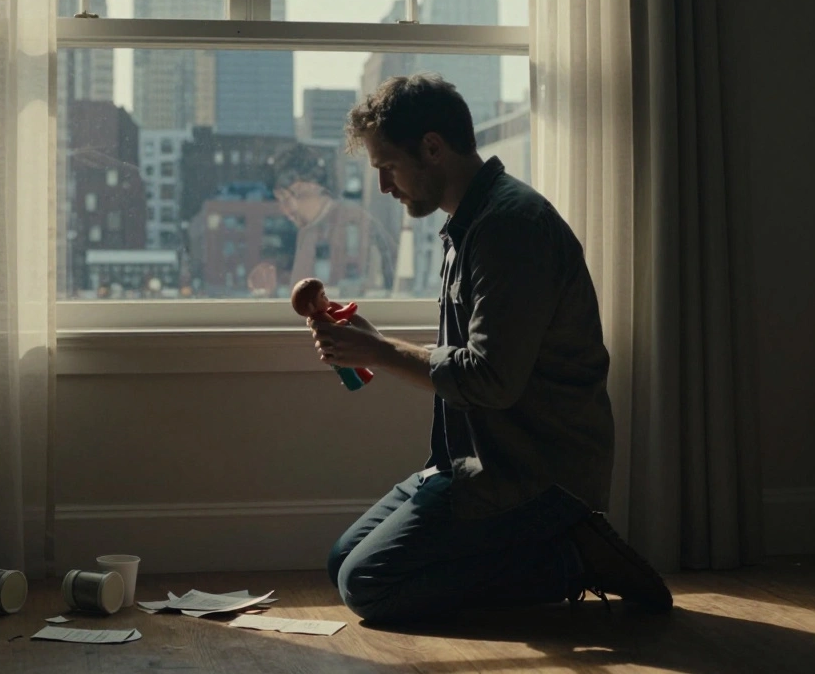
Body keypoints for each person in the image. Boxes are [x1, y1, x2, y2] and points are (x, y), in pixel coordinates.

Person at [310, 73, 672, 624]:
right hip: (476, 460)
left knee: (369, 585)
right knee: (343, 562)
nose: (383, 186)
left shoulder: (510, 228)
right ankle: (541, 552)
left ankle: (571, 559)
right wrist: (374, 344)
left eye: (387, 167)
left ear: (432, 147)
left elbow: (489, 379)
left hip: (533, 474)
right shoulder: (471, 223)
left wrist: (379, 352)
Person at [267, 144, 397, 296]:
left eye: (286, 197)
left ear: (310, 187)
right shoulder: (308, 231)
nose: (284, 209)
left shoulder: (353, 224)